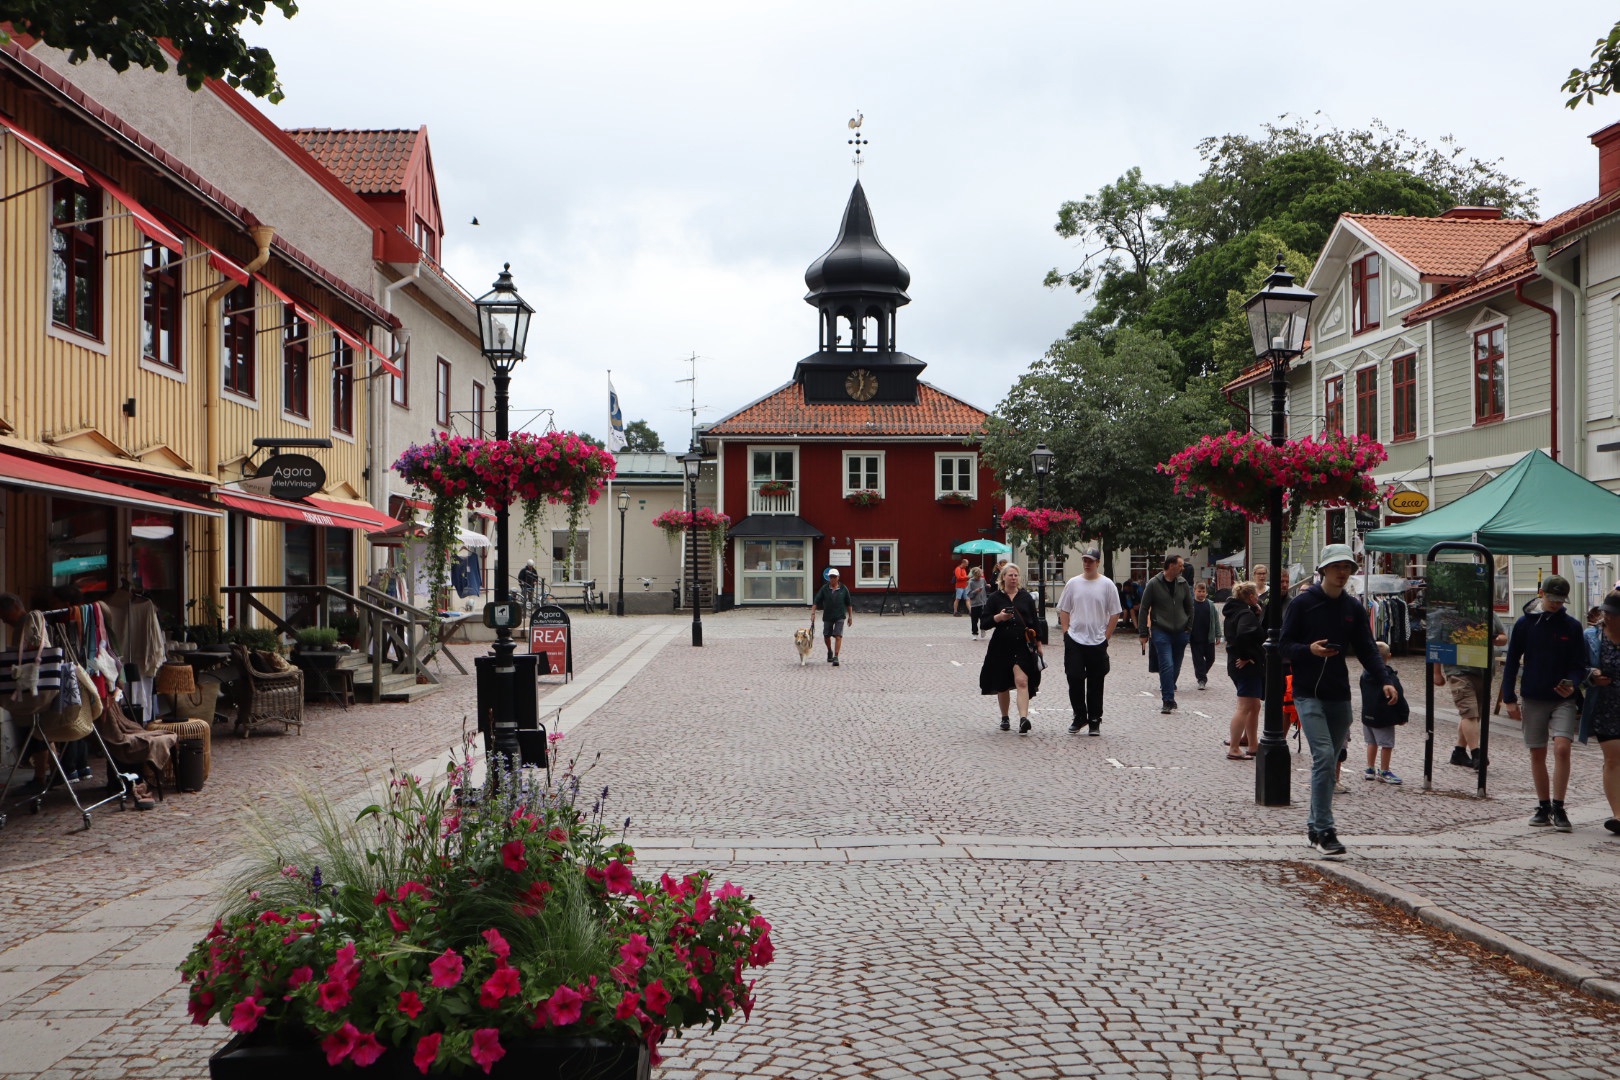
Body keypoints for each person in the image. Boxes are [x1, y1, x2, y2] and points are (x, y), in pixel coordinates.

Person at [1280, 544, 1397, 857]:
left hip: (1338, 693)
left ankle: (1314, 825)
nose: (1343, 572)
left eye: (1347, 567)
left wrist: (1385, 680)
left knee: (1331, 760)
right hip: (1307, 692)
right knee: (1322, 756)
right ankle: (1326, 830)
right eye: (1337, 567)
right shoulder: (1303, 603)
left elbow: (1367, 648)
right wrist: (1309, 651)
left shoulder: (1353, 608)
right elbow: (1283, 646)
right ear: (1323, 571)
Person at [1501, 574, 1587, 831]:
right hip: (1533, 695)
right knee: (1537, 751)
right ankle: (1543, 805)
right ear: (1541, 594)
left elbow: (1579, 664)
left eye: (1561, 601)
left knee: (1562, 748)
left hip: (1563, 698)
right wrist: (1509, 698)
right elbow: (1512, 660)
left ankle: (1559, 806)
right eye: (1552, 599)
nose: (1556, 604)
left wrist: (1571, 681)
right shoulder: (1525, 624)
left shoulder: (1571, 627)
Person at [1055, 548, 1120, 736]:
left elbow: (1115, 612)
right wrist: (1066, 633)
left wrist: (1106, 636)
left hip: (1097, 640)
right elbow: (1064, 609)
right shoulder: (1073, 583)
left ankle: (1094, 719)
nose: (1087, 563)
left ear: (1097, 562)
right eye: (1084, 560)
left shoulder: (1107, 585)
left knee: (1096, 682)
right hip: (1075, 639)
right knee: (1074, 677)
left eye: (1091, 560)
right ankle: (1079, 715)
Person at [979, 564, 1043, 734]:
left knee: (1022, 681)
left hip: (1022, 645)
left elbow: (1034, 622)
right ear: (1003, 578)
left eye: (1016, 575)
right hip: (1000, 646)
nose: (1014, 578)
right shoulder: (995, 598)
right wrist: (999, 617)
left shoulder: (1026, 598)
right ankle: (1005, 717)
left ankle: (1023, 719)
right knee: (1002, 684)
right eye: (1010, 575)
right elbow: (984, 623)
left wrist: (1039, 643)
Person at [1578, 591, 1620, 835]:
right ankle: (1617, 814)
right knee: (1613, 757)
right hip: (1604, 705)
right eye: (1606, 612)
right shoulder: (1591, 636)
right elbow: (1578, 665)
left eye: (1614, 614)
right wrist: (1591, 675)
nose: (1608, 617)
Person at [1138, 555, 1194, 714]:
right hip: (1160, 631)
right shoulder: (1154, 584)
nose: (1183, 568)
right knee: (1167, 664)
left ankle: (1168, 688)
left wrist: (1188, 628)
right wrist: (1143, 632)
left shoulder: (1183, 584)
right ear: (1170, 565)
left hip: (1181, 632)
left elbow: (1190, 608)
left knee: (1175, 667)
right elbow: (1143, 608)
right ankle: (1168, 700)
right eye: (1180, 565)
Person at [1223, 581, 1264, 759]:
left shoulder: (1235, 612)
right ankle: (1234, 747)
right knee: (1244, 706)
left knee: (1254, 705)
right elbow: (1243, 635)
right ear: (1250, 596)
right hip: (1245, 665)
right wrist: (1248, 656)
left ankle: (1253, 744)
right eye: (1255, 595)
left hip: (1236, 663)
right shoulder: (1245, 614)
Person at [1359, 641, 1409, 784]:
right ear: (1389, 656)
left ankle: (1370, 768)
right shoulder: (1389, 678)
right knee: (1386, 744)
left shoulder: (1364, 675)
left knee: (1371, 742)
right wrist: (1403, 715)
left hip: (1367, 715)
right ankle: (1384, 770)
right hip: (1383, 717)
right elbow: (1399, 696)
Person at [813, 569, 854, 667]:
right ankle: (829, 651)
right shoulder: (824, 588)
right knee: (826, 635)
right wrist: (813, 613)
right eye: (831, 577)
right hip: (827, 615)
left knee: (838, 635)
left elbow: (849, 604)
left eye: (834, 577)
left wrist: (850, 617)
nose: (832, 579)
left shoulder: (844, 589)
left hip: (840, 615)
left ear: (838, 577)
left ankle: (836, 656)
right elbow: (816, 600)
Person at [1189, 580, 1222, 691]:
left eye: (1203, 591)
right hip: (1195, 638)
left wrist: (1218, 634)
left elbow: (1216, 621)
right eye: (1199, 591)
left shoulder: (1210, 605)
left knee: (1211, 658)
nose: (1201, 593)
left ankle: (1202, 673)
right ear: (1194, 591)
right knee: (1198, 660)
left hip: (1209, 637)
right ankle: (1201, 679)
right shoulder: (1190, 605)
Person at [966, 566, 988, 639]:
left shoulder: (982, 580)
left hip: (983, 603)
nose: (979, 578)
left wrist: (988, 586)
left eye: (980, 576)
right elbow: (969, 594)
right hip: (975, 604)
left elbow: (985, 586)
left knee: (983, 618)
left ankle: (983, 629)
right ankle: (974, 633)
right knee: (974, 620)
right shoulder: (971, 582)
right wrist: (976, 591)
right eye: (977, 576)